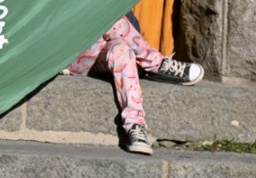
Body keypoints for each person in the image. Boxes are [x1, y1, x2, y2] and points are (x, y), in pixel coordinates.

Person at [63, 11, 204, 155]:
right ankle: (157, 64)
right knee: (111, 19)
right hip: (72, 56)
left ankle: (136, 126)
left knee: (122, 49)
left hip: (103, 55)